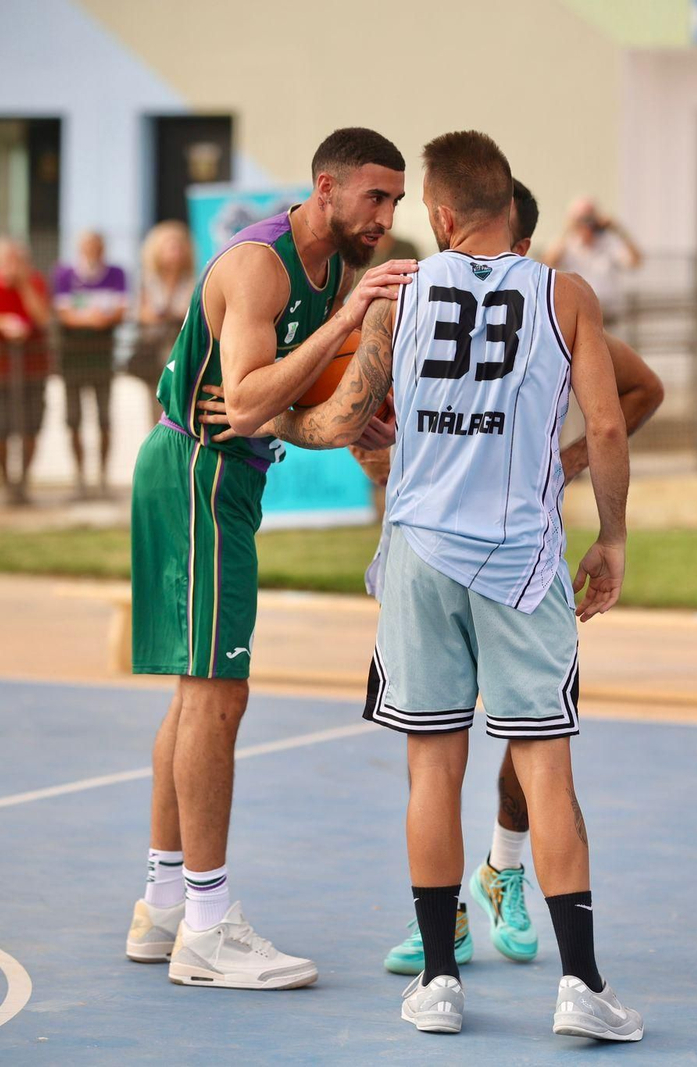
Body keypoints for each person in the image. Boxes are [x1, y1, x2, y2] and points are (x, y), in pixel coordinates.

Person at [250, 130, 642, 1040]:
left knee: (433, 766)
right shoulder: (565, 293)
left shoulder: (396, 290)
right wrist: (613, 536)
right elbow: (609, 428)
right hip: (520, 559)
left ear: (438, 214)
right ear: (509, 203)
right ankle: (580, 983)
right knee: (546, 768)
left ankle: (436, 980)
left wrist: (273, 415)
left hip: (421, 555)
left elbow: (352, 419)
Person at [122, 127, 414, 992]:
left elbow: (279, 401)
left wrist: (358, 428)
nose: (387, 215)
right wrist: (348, 327)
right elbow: (248, 401)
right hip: (201, 475)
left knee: (197, 690)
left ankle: (164, 903)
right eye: (375, 197)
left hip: (219, 477)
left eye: (396, 200)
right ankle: (208, 927)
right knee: (218, 692)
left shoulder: (328, 269)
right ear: (326, 188)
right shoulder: (262, 266)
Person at [370, 177, 664, 979]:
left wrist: (565, 461)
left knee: (482, 749)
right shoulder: (458, 294)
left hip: (481, 553)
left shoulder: (551, 303)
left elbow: (630, 396)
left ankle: (497, 872)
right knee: (531, 745)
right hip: (493, 555)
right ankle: (468, 915)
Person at [0, 237, 50, 505]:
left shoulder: (35, 282)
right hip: (2, 370)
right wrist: (3, 322)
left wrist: (23, 286)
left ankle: (23, 481)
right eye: (7, 260)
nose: (12, 266)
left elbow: (42, 318)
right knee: (2, 430)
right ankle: (6, 482)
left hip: (34, 368)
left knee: (31, 428)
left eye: (17, 260)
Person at [53, 231, 128, 498]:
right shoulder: (64, 274)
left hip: (102, 357)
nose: (92, 251)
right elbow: (63, 313)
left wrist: (100, 319)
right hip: (72, 358)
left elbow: (120, 309)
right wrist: (90, 320)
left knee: (104, 418)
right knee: (73, 418)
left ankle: (103, 477)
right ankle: (80, 477)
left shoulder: (117, 273)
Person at [133, 221, 197, 424]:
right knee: (155, 404)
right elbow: (143, 314)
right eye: (169, 245)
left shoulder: (194, 279)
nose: (174, 250)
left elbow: (191, 311)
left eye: (178, 245)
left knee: (182, 403)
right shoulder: (147, 280)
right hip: (153, 351)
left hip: (182, 350)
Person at [542, 196, 642, 321]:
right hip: (578, 316)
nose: (587, 226)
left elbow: (635, 262)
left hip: (608, 316)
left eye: (590, 219)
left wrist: (618, 229)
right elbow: (548, 263)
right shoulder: (566, 244)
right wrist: (568, 229)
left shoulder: (609, 242)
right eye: (582, 220)